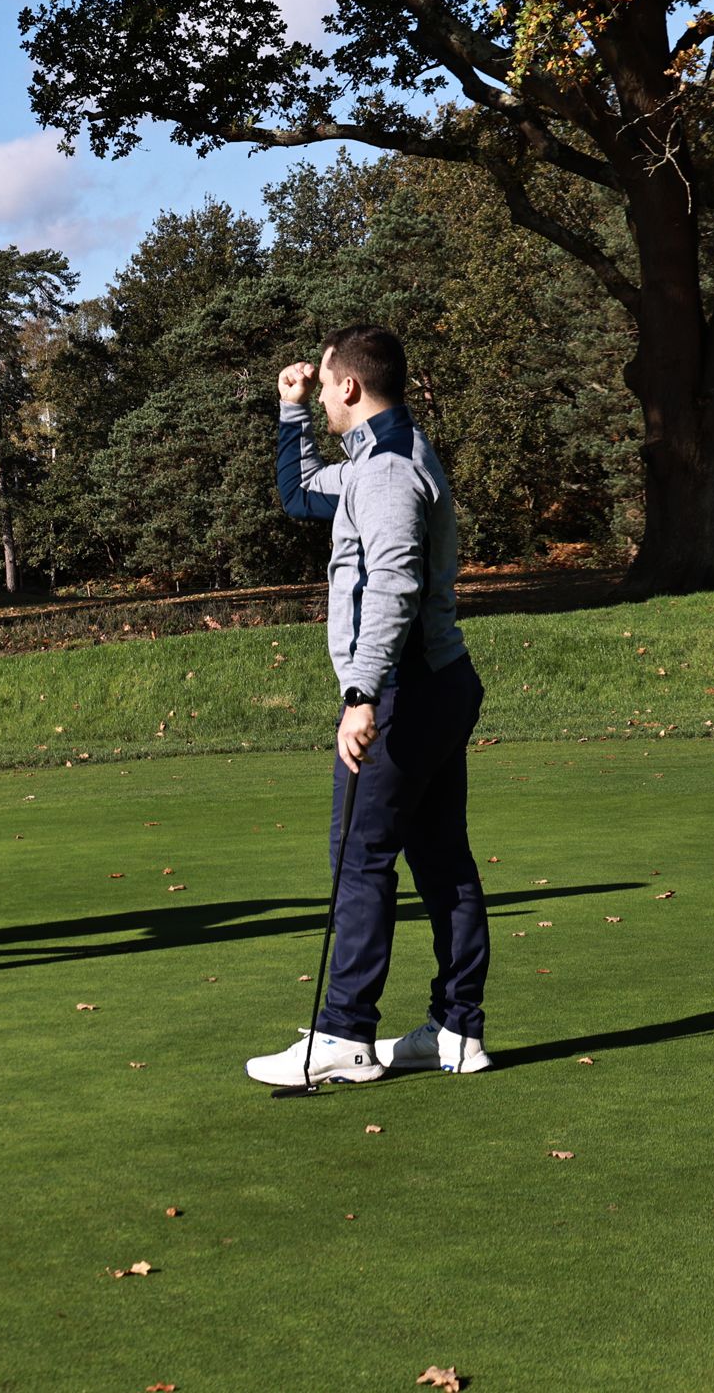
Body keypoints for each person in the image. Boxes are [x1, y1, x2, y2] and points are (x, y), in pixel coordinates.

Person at [244, 325, 491, 1086]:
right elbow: (299, 495)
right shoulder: (380, 456)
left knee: (359, 858)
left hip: (403, 690)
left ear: (350, 386)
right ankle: (457, 1031)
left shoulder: (384, 472)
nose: (319, 395)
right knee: (441, 860)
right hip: (438, 682)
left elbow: (392, 584)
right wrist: (290, 410)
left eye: (322, 385)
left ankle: (346, 1035)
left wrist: (361, 693)